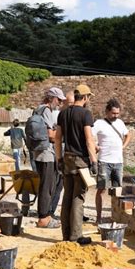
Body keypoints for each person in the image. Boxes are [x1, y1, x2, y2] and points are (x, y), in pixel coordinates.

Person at [55, 84, 97, 245]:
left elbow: (58, 138)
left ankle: (66, 234)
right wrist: (93, 161)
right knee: (78, 198)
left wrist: (58, 159)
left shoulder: (63, 113)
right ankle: (76, 236)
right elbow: (88, 139)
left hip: (67, 158)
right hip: (80, 161)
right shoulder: (86, 114)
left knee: (67, 196)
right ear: (85, 98)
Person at [92, 98, 131, 224]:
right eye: (113, 113)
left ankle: (117, 218)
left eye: (117, 113)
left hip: (118, 162)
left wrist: (123, 146)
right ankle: (99, 217)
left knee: (117, 191)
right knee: (102, 189)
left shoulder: (120, 123)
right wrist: (95, 146)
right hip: (104, 161)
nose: (116, 116)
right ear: (107, 112)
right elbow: (90, 136)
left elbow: (128, 135)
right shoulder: (99, 123)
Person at [33, 87, 66, 228]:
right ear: (51, 98)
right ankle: (43, 218)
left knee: (48, 185)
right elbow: (51, 135)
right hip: (46, 154)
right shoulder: (45, 110)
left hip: (41, 153)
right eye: (58, 100)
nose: (59, 103)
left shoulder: (39, 109)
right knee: (47, 187)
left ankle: (45, 216)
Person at [50, 91, 75, 219]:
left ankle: (56, 211)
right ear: (64, 103)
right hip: (58, 152)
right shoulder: (57, 115)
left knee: (64, 186)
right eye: (70, 103)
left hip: (68, 153)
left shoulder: (71, 114)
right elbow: (55, 137)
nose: (72, 106)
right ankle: (50, 211)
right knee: (56, 183)